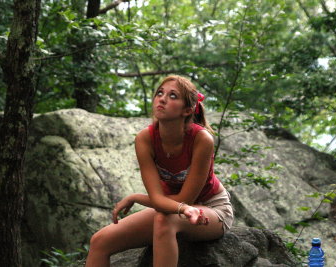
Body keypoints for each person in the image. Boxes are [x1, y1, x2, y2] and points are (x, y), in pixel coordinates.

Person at [85, 75, 234, 267]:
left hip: (212, 209)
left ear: (187, 110)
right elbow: (160, 200)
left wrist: (139, 198)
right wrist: (175, 206)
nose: (162, 99)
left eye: (173, 96)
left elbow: (185, 199)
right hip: (174, 208)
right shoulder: (145, 139)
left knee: (165, 219)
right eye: (160, 93)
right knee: (100, 241)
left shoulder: (201, 139)